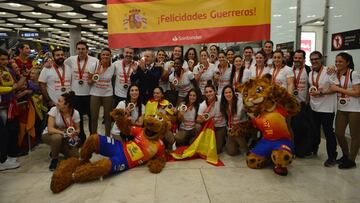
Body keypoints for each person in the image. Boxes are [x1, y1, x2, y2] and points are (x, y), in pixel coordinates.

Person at [330, 52, 360, 169]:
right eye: (336, 61)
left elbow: (357, 92)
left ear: (348, 62)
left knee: (355, 135)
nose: (338, 63)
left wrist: (338, 89)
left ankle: (351, 160)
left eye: (341, 61)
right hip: (341, 108)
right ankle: (345, 155)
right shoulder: (335, 74)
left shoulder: (354, 74)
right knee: (338, 132)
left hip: (355, 109)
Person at [64, 40, 98, 144]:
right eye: (79, 49)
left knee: (92, 118)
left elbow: (98, 74)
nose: (81, 51)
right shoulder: (70, 60)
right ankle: (82, 138)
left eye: (83, 49)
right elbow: (61, 66)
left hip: (90, 93)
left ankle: (93, 139)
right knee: (78, 119)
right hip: (76, 94)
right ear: (76, 50)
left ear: (87, 50)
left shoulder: (95, 61)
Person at [308, 51, 338, 167]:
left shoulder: (329, 71)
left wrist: (320, 92)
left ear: (321, 59)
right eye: (312, 59)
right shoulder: (311, 73)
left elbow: (335, 87)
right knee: (315, 130)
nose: (314, 61)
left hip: (327, 108)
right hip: (314, 107)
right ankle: (314, 150)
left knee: (328, 133)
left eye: (316, 59)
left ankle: (332, 157)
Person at [42, 91, 80, 171]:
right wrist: (64, 133)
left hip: (66, 138)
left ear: (67, 105)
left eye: (60, 101)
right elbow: (50, 129)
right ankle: (54, 159)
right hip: (49, 135)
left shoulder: (75, 113)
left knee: (76, 156)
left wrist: (75, 133)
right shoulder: (54, 110)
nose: (57, 103)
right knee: (57, 137)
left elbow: (78, 129)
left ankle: (55, 149)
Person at [290, 49, 314, 157]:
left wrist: (307, 100)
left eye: (300, 58)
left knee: (302, 128)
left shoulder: (308, 70)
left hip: (303, 104)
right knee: (292, 128)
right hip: (290, 105)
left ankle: (302, 150)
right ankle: (292, 148)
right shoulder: (289, 69)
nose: (297, 60)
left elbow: (311, 86)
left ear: (304, 59)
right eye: (296, 58)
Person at [0, 48, 21, 171]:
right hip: (3, 104)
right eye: (2, 59)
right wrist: (10, 89)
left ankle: (5, 156)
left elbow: (14, 84)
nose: (5, 62)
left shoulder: (6, 70)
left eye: (6, 59)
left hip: (8, 104)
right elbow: (10, 87)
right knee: (2, 134)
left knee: (7, 132)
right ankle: (2, 160)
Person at [88, 48, 115, 136]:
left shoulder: (113, 66)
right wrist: (96, 75)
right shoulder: (94, 65)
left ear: (110, 56)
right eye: (103, 54)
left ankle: (107, 137)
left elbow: (113, 81)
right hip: (95, 93)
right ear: (100, 55)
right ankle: (94, 137)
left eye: (107, 55)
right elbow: (89, 82)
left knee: (108, 117)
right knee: (94, 117)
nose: (105, 56)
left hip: (108, 94)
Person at [197, 83, 226, 154]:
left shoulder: (221, 99)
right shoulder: (203, 105)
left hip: (221, 127)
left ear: (215, 92)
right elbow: (198, 120)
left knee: (217, 150)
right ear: (204, 94)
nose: (209, 94)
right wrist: (202, 118)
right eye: (206, 92)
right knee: (207, 149)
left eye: (210, 91)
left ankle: (223, 139)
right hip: (209, 128)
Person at [220, 85, 247, 155]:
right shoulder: (223, 103)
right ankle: (234, 143)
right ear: (223, 94)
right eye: (226, 93)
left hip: (241, 127)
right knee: (232, 152)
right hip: (230, 128)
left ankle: (245, 148)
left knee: (237, 134)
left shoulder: (240, 101)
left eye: (230, 92)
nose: (228, 94)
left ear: (233, 93)